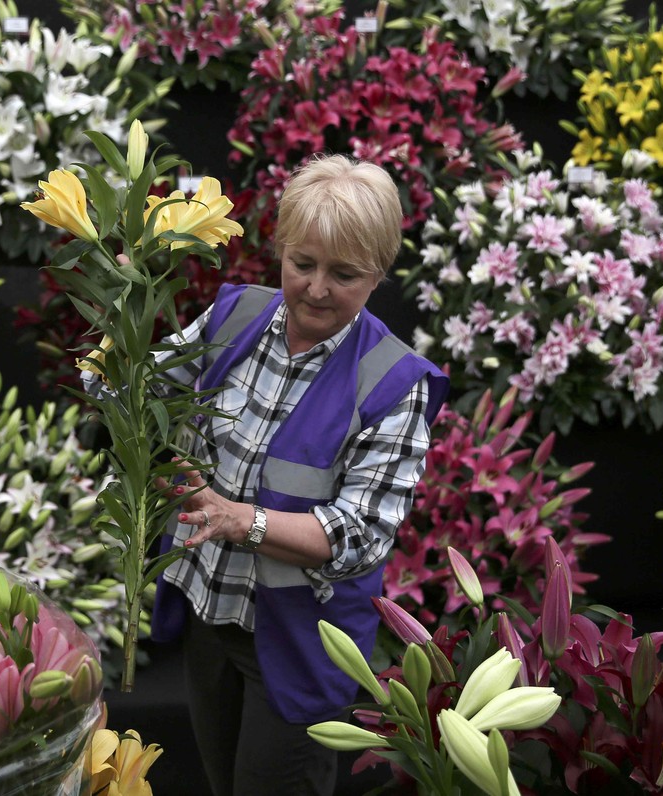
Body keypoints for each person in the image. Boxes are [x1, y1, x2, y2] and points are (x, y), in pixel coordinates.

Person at [145, 153, 450, 796]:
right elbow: (141, 388)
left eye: (344, 274)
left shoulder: (394, 383)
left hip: (299, 643)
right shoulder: (234, 318)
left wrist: (237, 518)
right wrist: (119, 305)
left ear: (378, 275)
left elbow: (360, 535)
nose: (316, 288)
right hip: (209, 613)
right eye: (301, 264)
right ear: (280, 249)